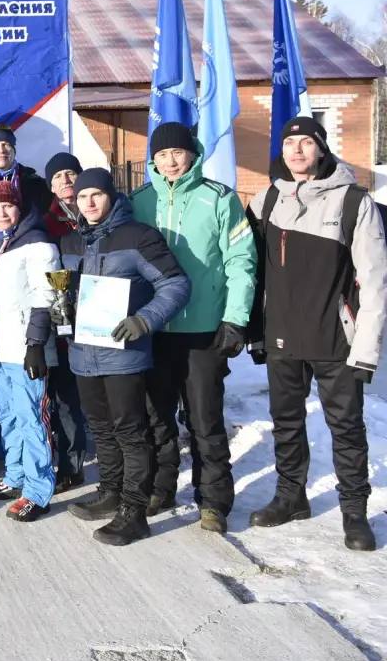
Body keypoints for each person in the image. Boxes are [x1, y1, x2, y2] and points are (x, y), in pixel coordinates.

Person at [246, 117, 386, 551]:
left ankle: (354, 511)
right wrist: (254, 331)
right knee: (286, 424)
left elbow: (376, 279)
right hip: (282, 335)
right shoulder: (266, 199)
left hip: (335, 339)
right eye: (290, 143)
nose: (297, 150)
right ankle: (292, 497)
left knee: (346, 428)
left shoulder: (353, 202)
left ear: (322, 149)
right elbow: (248, 270)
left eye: (307, 142)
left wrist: (367, 349)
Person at [131, 122, 256, 532]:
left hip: (204, 331)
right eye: (162, 154)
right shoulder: (139, 202)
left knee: (204, 420)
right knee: (157, 418)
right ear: (153, 159)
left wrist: (235, 318)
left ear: (192, 154)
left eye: (177, 153)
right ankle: (161, 487)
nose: (170, 161)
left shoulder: (219, 199)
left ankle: (213, 501)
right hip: (155, 330)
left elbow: (241, 261)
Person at [60, 168, 189, 546]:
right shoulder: (70, 241)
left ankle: (134, 512)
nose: (89, 203)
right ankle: (110, 492)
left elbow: (175, 283)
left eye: (96, 195)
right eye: (82, 197)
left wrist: (144, 320)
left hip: (124, 354)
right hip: (83, 353)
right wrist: (61, 310)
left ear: (112, 196)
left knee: (131, 432)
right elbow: (64, 291)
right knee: (99, 428)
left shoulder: (138, 237)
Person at [0, 181, 59, 521]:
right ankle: (15, 476)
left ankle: (38, 491)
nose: (2, 212)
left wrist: (36, 344)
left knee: (31, 419)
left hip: (26, 349)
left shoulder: (38, 244)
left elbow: (47, 295)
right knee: (8, 417)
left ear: (19, 207)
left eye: (7, 205)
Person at [40, 151, 89, 492]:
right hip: (65, 324)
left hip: (102, 320)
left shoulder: (98, 212)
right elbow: (50, 274)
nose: (66, 181)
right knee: (66, 400)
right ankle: (71, 465)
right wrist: (61, 322)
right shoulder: (46, 223)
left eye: (70, 174)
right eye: (58, 177)